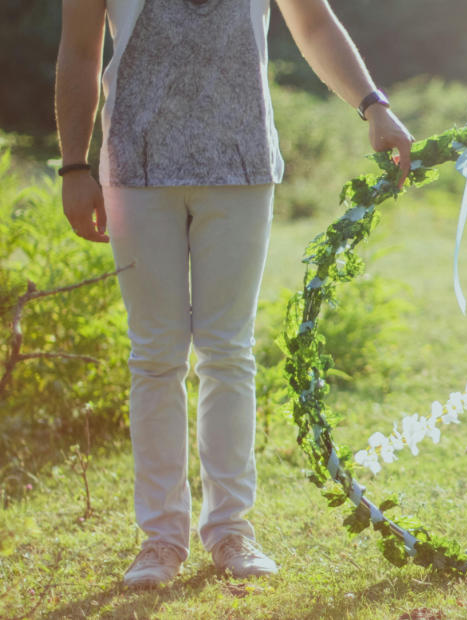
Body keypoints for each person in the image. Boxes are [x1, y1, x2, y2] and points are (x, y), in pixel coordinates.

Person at [56, 0, 414, 587]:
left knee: (228, 352)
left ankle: (230, 530)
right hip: (135, 169)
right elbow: (78, 49)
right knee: (155, 357)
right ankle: (160, 540)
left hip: (242, 165)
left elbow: (315, 24)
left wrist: (373, 105)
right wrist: (73, 166)